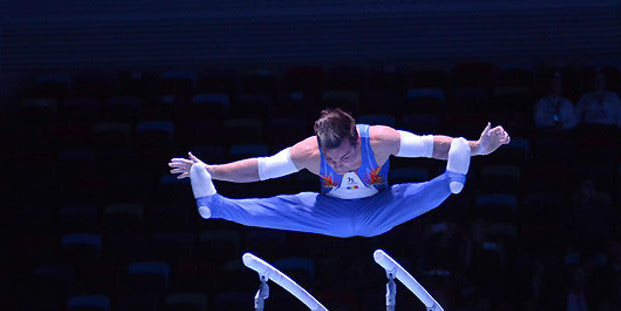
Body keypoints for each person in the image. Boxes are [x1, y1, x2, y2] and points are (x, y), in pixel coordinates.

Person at [168, 108, 510, 238]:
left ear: (356, 138)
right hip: (328, 211)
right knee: (279, 208)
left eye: (346, 156)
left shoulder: (379, 140)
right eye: (332, 161)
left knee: (415, 194)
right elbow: (261, 171)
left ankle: (452, 180)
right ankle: (215, 204)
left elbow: (429, 146)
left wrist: (477, 148)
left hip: (381, 204)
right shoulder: (309, 152)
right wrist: (209, 169)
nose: (340, 164)